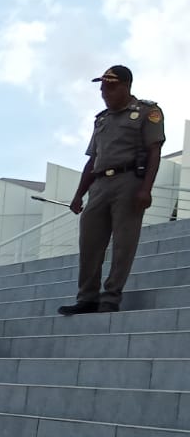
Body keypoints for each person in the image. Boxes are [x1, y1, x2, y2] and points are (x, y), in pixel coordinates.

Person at [59, 65, 165, 315]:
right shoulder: (102, 119)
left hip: (129, 181)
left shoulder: (147, 112)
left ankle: (110, 298)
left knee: (123, 245)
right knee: (90, 243)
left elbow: (154, 151)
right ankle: (87, 298)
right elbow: (92, 159)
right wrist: (78, 194)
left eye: (110, 87)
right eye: (102, 88)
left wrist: (146, 189)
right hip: (100, 183)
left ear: (126, 86)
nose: (105, 92)